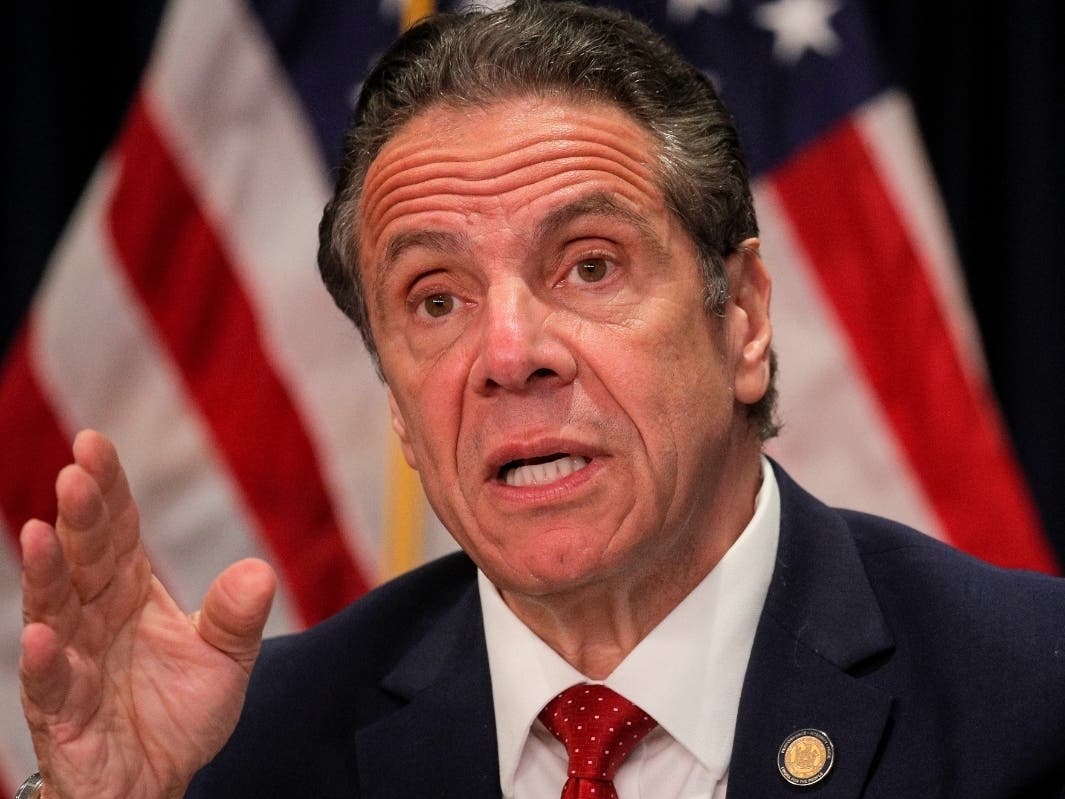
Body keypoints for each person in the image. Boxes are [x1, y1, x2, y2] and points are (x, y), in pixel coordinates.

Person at [16, 3, 1065, 797]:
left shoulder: (1032, 693)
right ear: (396, 402)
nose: (508, 354)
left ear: (742, 316)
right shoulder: (247, 748)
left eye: (590, 266)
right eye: (436, 298)